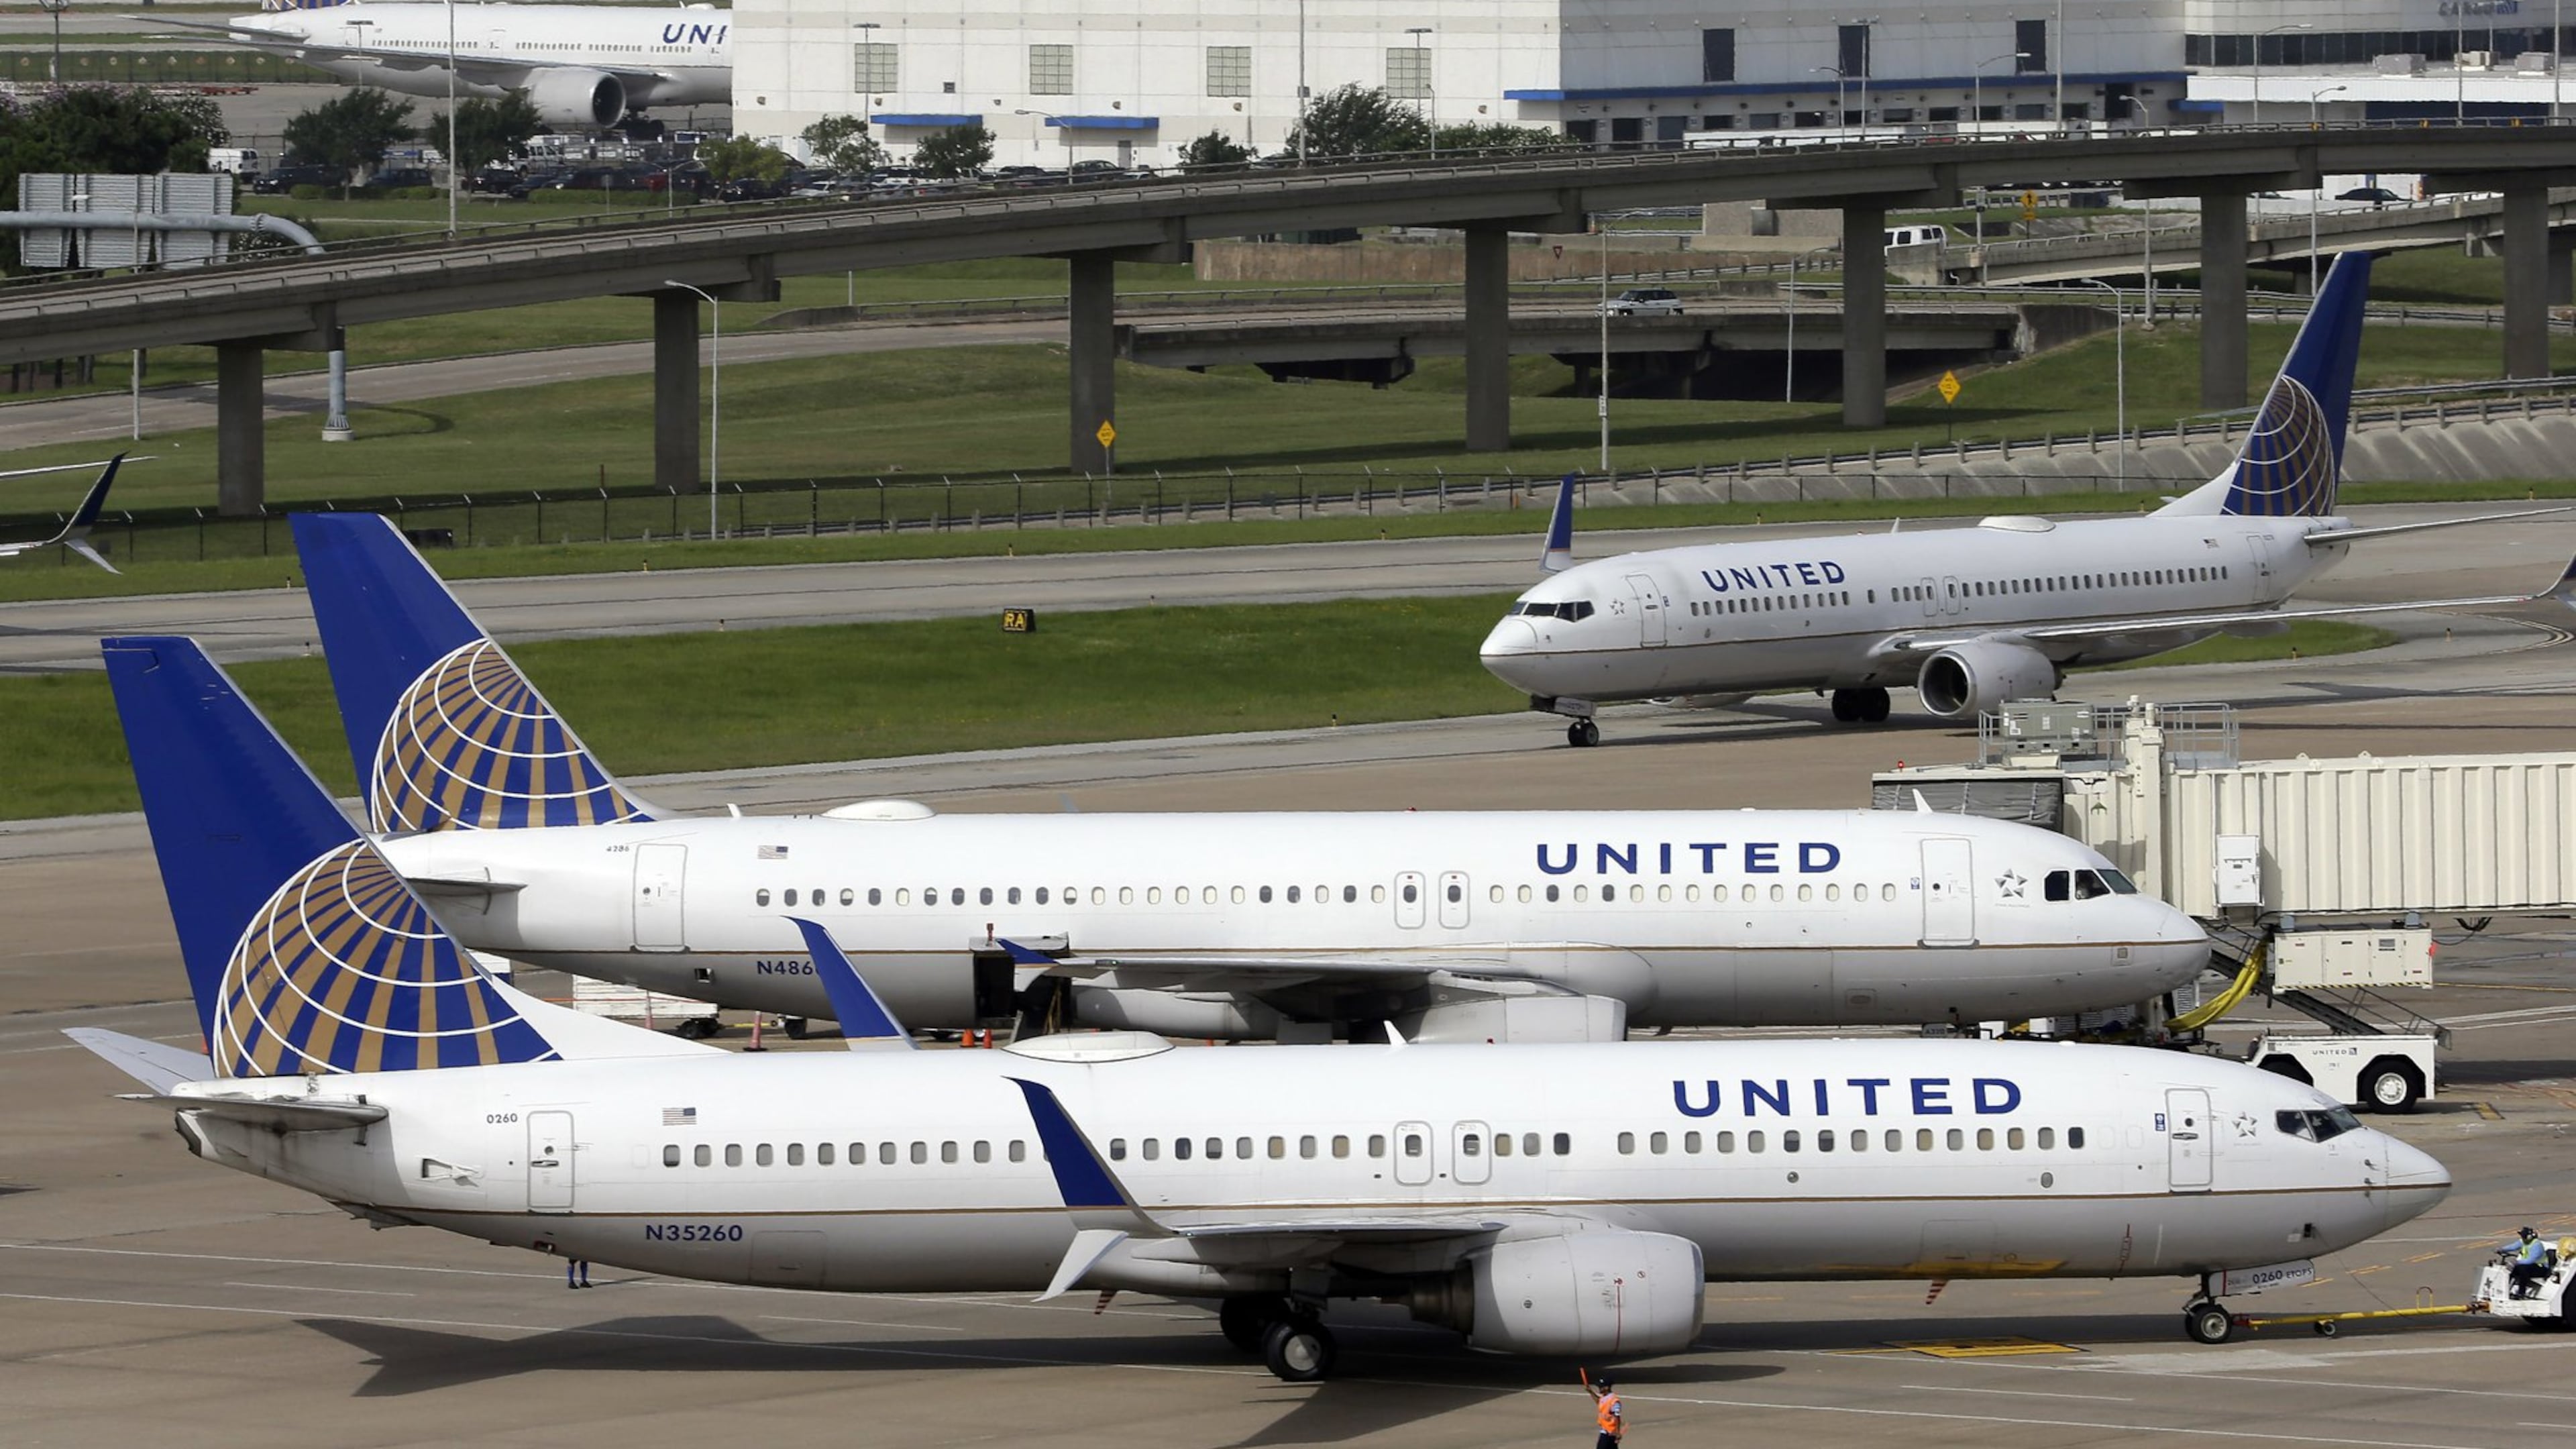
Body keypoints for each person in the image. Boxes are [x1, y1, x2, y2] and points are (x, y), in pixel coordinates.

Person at [2503, 1227, 2552, 1299]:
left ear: (2529, 1237)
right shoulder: (2524, 1241)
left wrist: (2517, 1262)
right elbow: (2513, 1247)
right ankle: (2506, 1291)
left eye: (2523, 1236)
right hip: (2529, 1266)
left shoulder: (2537, 1245)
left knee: (2523, 1269)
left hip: (2541, 1268)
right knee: (2511, 1269)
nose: (2522, 1238)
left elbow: (2531, 1260)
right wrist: (2502, 1249)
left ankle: (2521, 1293)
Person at [1586, 1373, 1623, 1449]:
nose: (1599, 1388)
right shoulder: (1604, 1397)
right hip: (1606, 1430)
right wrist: (1591, 1392)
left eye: (1601, 1387)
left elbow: (1617, 1417)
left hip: (1610, 1432)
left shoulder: (1614, 1401)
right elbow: (1599, 1401)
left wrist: (1618, 1432)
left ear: (1606, 1387)